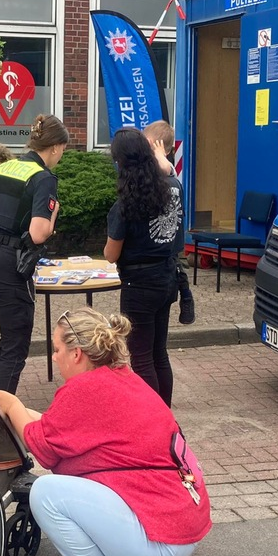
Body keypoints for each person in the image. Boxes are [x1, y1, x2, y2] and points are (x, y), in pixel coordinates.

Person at [0, 308, 211, 556]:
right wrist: (21, 413)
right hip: (180, 529)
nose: (54, 357)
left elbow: (43, 449)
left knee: (45, 493)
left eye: (57, 349)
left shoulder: (84, 390)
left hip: (161, 541)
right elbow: (55, 430)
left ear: (77, 354)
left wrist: (12, 404)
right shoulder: (122, 378)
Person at [0, 115, 67, 393]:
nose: (62, 155)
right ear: (55, 147)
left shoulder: (6, 167)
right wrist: (54, 214)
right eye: (63, 149)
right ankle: (1, 414)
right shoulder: (43, 178)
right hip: (9, 264)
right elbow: (38, 234)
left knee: (8, 339)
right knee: (15, 345)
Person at [104, 128, 182, 407]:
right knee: (160, 353)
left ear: (120, 162)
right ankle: (165, 414)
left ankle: (152, 418)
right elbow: (169, 173)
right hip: (167, 277)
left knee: (141, 358)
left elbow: (111, 254)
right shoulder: (172, 188)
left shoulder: (125, 203)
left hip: (138, 285)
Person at [142, 121, 193, 326]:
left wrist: (158, 154)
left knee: (175, 263)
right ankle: (185, 291)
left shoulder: (165, 167)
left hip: (169, 233)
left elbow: (165, 169)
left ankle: (185, 292)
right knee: (175, 264)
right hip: (168, 234)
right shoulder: (163, 168)